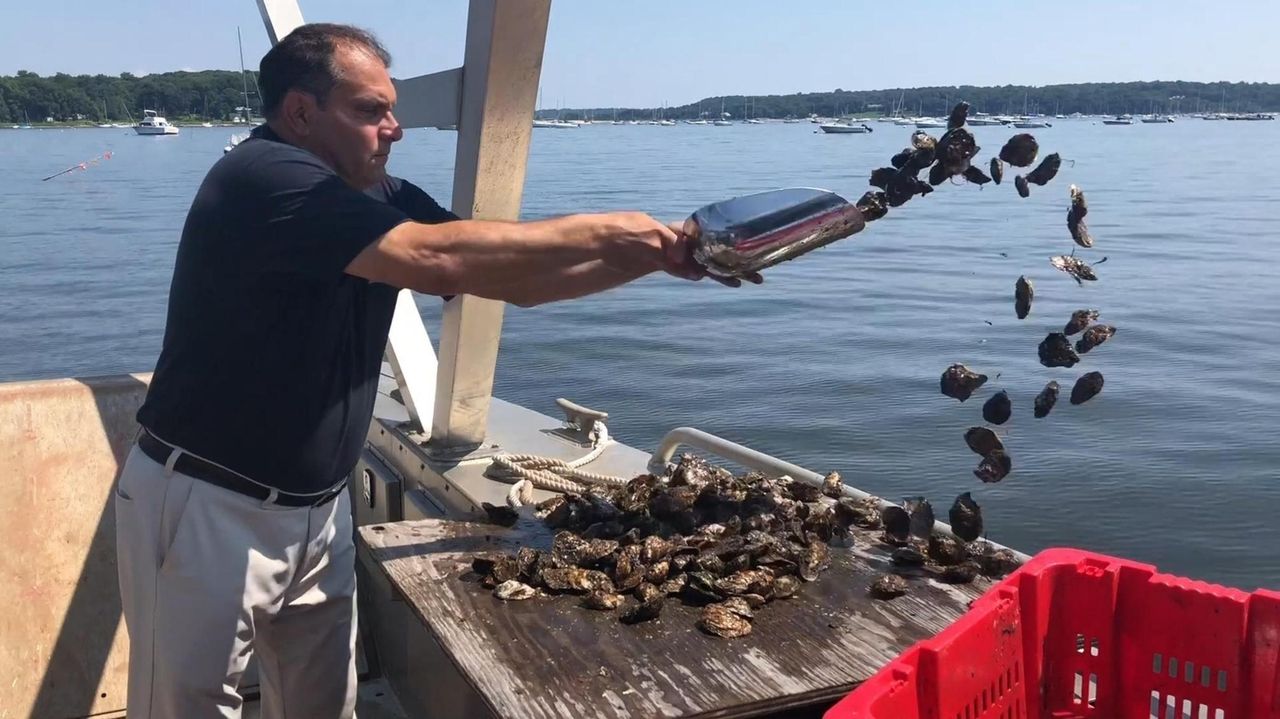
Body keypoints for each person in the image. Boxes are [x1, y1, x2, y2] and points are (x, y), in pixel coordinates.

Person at [113, 22, 757, 719]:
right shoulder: (266, 179)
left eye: (392, 109)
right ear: (300, 113)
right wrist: (618, 228)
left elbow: (514, 276)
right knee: (184, 709)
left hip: (317, 508)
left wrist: (658, 256)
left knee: (321, 705)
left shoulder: (377, 194)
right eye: (370, 111)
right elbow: (437, 258)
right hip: (209, 502)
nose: (393, 128)